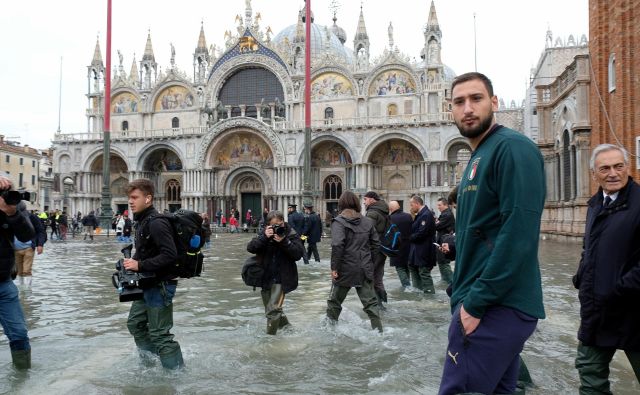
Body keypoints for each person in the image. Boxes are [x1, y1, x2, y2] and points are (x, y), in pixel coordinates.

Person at [438, 72, 545, 395]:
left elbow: (518, 233)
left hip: (494, 305)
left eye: (476, 99)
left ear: (494, 102)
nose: (467, 108)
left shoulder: (512, 148)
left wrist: (475, 304)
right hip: (486, 301)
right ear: (450, 110)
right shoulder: (480, 155)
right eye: (459, 102)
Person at [573, 144, 640, 393]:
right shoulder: (594, 205)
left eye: (618, 166)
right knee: (589, 373)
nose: (613, 173)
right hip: (597, 310)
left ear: (627, 167)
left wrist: (618, 289)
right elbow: (588, 247)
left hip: (634, 313)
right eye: (605, 168)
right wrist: (581, 276)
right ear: (594, 174)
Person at [123, 178, 184, 369]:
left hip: (161, 286)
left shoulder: (157, 223)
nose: (131, 202)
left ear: (148, 198)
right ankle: (151, 364)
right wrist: (130, 265)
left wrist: (139, 265)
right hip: (146, 284)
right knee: (135, 324)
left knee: (160, 334)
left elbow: (170, 255)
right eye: (129, 198)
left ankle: (176, 375)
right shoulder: (142, 222)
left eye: (135, 197)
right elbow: (147, 252)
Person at [326, 191, 382, 332]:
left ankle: (330, 331)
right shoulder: (367, 222)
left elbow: (337, 245)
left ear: (341, 205)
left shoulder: (338, 222)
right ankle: (379, 332)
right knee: (371, 305)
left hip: (344, 269)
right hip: (364, 268)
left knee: (334, 303)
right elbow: (376, 246)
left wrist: (334, 268)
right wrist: (369, 263)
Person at [246, 210, 304, 335]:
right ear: (268, 225)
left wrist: (284, 241)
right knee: (271, 310)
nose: (278, 227)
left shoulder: (291, 233)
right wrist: (264, 237)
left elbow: (298, 254)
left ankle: (269, 340)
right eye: (274, 225)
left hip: (282, 279)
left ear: (284, 222)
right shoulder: (265, 233)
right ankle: (289, 330)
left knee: (273, 311)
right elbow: (251, 248)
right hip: (266, 278)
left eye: (280, 224)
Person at [0, 175, 35, 369]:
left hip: (3, 282)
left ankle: (22, 381)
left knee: (19, 334)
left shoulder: (11, 202)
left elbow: (27, 234)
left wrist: (11, 212)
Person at [363, 191, 390, 308]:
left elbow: (367, 231)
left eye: (365, 199)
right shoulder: (383, 210)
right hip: (382, 249)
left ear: (372, 199)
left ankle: (375, 305)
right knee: (378, 277)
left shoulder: (373, 213)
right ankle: (383, 303)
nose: (364, 202)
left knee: (370, 277)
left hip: (374, 250)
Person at [407, 195, 437, 294]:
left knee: (424, 272)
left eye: (411, 205)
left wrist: (409, 238)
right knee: (413, 268)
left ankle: (429, 296)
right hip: (417, 249)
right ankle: (418, 292)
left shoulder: (426, 215)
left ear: (417, 203)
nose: (411, 207)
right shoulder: (420, 214)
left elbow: (422, 233)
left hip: (424, 249)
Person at [13, 202, 46, 288]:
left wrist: (40, 245)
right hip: (15, 248)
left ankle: (27, 290)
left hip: (29, 247)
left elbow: (41, 231)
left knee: (26, 270)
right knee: (19, 271)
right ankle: (22, 289)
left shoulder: (32, 217)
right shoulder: (10, 217)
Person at [388, 200, 412, 289]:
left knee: (400, 267)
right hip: (408, 245)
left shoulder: (390, 218)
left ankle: (407, 286)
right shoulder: (408, 216)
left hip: (396, 246)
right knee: (406, 266)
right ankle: (408, 284)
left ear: (390, 209)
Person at [434, 198, 455, 284]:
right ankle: (445, 281)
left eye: (440, 205)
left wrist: (436, 223)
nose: (438, 207)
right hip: (442, 241)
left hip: (445, 241)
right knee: (441, 262)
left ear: (445, 205)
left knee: (444, 263)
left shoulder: (447, 214)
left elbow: (437, 226)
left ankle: (452, 282)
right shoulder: (444, 214)